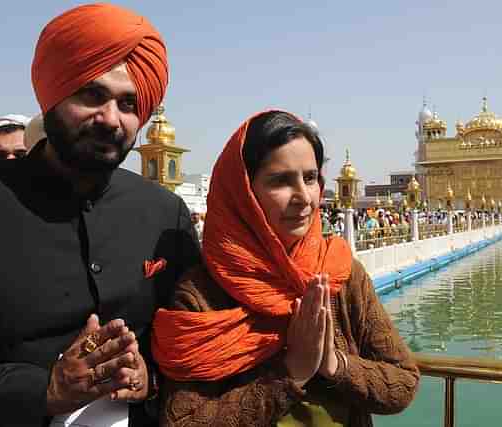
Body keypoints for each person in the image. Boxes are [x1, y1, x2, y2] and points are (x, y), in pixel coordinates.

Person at [0, 4, 199, 427]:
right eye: (92, 95)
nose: (110, 119)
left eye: (128, 103)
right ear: (53, 94)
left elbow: (191, 344)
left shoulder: (164, 215)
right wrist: (44, 389)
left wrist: (150, 379)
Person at [153, 111, 419, 426]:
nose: (304, 197)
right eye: (280, 181)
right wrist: (291, 371)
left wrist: (334, 364)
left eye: (310, 178)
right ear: (243, 193)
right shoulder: (202, 294)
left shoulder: (339, 272)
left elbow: (402, 383)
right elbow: (182, 421)